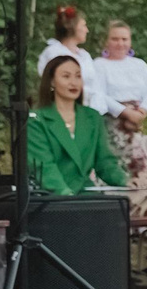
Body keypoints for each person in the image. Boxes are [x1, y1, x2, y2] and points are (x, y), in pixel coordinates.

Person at [28, 54, 127, 195]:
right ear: (51, 82)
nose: (74, 83)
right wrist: (66, 194)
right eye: (66, 76)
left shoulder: (93, 117)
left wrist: (126, 181)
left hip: (86, 194)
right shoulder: (36, 120)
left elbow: (104, 162)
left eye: (78, 76)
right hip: (50, 198)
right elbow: (43, 167)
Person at [37, 4, 114, 119]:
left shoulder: (84, 55)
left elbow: (95, 85)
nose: (87, 30)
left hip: (91, 112)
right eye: (84, 25)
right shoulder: (54, 52)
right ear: (73, 27)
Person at [93, 20, 147, 147]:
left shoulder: (140, 64)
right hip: (113, 119)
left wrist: (142, 112)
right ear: (106, 41)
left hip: (137, 120)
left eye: (124, 39)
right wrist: (126, 113)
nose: (120, 43)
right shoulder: (99, 64)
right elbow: (98, 94)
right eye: (115, 39)